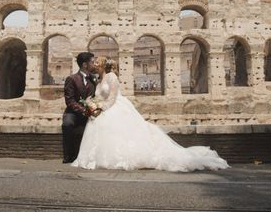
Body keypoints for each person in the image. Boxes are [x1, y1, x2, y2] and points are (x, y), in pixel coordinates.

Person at [72, 57, 229, 172]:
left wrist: (101, 108)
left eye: (97, 63)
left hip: (114, 107)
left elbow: (112, 97)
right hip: (102, 108)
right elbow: (99, 95)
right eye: (94, 63)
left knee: (121, 134)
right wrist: (92, 103)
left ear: (103, 65)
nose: (94, 65)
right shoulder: (99, 78)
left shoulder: (112, 77)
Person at [62, 51, 98, 163]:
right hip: (73, 112)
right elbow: (70, 101)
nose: (94, 64)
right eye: (92, 62)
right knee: (67, 124)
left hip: (90, 111)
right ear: (84, 65)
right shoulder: (71, 79)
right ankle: (68, 155)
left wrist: (93, 108)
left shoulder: (94, 79)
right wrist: (83, 110)